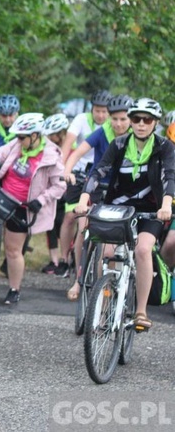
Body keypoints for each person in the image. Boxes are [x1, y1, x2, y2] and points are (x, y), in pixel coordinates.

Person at [74, 98, 174, 331]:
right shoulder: (119, 144)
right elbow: (98, 171)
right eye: (136, 119)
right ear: (130, 121)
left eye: (146, 119)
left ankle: (140, 311)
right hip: (118, 209)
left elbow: (171, 177)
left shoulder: (164, 147)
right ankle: (103, 303)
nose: (140, 124)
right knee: (107, 253)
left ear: (155, 123)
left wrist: (166, 205)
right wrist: (83, 199)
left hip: (151, 210)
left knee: (142, 249)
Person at [63, 95, 133, 298]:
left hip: (119, 190)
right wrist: (67, 170)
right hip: (95, 184)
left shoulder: (135, 137)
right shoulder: (102, 131)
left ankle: (109, 281)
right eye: (115, 119)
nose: (118, 124)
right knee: (82, 226)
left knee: (112, 236)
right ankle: (78, 279)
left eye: (123, 119)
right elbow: (77, 153)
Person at [0, 113, 66, 304]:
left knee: (12, 250)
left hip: (23, 207)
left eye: (22, 137)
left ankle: (14, 289)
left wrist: (41, 200)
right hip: (1, 197)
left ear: (35, 136)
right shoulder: (17, 145)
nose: (18, 140)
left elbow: (60, 186)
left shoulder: (51, 155)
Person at [56, 90, 112, 278]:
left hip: (101, 177)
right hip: (79, 173)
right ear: (92, 109)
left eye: (105, 112)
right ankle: (64, 259)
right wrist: (64, 170)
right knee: (71, 216)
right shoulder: (81, 119)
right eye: (97, 110)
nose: (101, 115)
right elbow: (69, 146)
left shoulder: (114, 126)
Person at [39, 113, 70, 274]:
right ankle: (54, 260)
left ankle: (67, 258)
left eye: (53, 135)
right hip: (52, 190)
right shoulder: (48, 148)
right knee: (49, 224)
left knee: (63, 223)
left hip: (67, 191)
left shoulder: (72, 147)